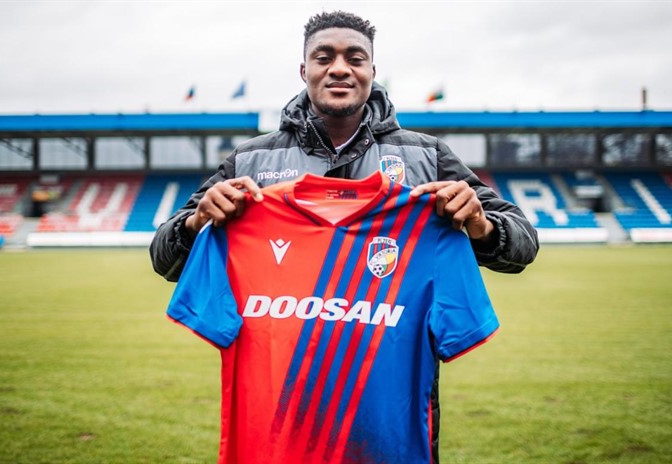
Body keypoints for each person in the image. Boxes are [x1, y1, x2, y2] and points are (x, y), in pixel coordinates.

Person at [151, 10, 538, 463]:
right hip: (279, 426)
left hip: (386, 426)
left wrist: (482, 226)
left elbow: (523, 244)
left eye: (355, 58)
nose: (340, 68)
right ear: (304, 70)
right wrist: (195, 223)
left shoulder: (425, 157)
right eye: (324, 58)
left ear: (372, 71)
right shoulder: (251, 160)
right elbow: (164, 258)